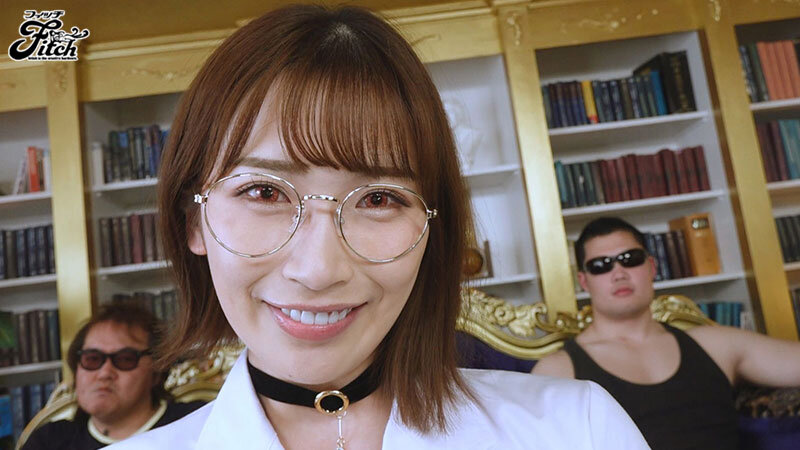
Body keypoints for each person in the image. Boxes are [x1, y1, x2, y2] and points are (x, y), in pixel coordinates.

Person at [110, 5, 649, 449]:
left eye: (379, 198)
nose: (319, 270)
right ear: (194, 221)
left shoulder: (579, 429)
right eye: (264, 192)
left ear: (432, 230)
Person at [534, 217, 800, 450]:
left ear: (651, 266)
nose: (619, 273)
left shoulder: (716, 345)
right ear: (584, 281)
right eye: (601, 265)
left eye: (630, 259)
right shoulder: (559, 370)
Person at [22, 303, 205, 450]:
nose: (104, 373)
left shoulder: (198, 423)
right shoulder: (50, 442)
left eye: (125, 359)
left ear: (157, 371)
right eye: (92, 359)